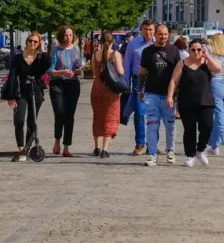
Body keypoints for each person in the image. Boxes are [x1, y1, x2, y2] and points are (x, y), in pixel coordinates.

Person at [167, 38, 222, 167]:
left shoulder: (206, 62)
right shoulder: (182, 63)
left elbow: (218, 68)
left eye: (199, 49)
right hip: (187, 102)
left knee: (207, 126)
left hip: (205, 101)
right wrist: (170, 96)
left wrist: (207, 56)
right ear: (189, 50)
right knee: (189, 129)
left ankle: (200, 149)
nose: (196, 52)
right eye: (193, 50)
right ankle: (190, 155)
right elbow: (174, 81)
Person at [3, 32, 51, 161]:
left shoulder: (40, 58)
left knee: (32, 121)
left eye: (35, 42)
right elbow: (12, 76)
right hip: (22, 92)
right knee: (19, 120)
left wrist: (43, 50)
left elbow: (48, 63)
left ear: (39, 43)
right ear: (27, 42)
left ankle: (27, 149)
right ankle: (20, 148)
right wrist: (10, 96)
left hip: (36, 92)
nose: (32, 43)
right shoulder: (18, 58)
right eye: (30, 41)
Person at [138, 24, 181, 166]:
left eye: (165, 34)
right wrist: (139, 90)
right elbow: (142, 72)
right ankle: (152, 154)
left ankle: (170, 150)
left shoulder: (174, 51)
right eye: (160, 34)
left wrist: (176, 93)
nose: (163, 37)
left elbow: (179, 74)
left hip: (169, 95)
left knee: (170, 125)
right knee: (152, 124)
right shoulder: (147, 51)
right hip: (151, 93)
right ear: (155, 34)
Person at [48, 25, 83, 158]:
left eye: (70, 35)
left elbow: (79, 66)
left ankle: (66, 146)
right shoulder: (56, 50)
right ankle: (57, 140)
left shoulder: (76, 49)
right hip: (58, 84)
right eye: (66, 35)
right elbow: (51, 70)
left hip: (72, 84)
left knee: (69, 115)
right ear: (61, 36)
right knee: (60, 113)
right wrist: (62, 72)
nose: (68, 38)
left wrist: (79, 70)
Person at [91, 29, 125, 158]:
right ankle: (104, 150)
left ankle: (96, 147)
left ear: (100, 41)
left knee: (97, 116)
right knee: (110, 117)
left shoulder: (95, 54)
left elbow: (94, 73)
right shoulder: (115, 54)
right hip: (110, 89)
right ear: (113, 41)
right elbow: (120, 71)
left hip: (97, 88)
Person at [122, 20, 155, 156]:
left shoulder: (158, 43)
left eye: (151, 29)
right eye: (146, 29)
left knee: (154, 114)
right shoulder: (133, 44)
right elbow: (127, 64)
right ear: (141, 30)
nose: (148, 32)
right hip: (139, 81)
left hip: (155, 81)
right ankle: (140, 142)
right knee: (140, 112)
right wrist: (126, 84)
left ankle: (152, 144)